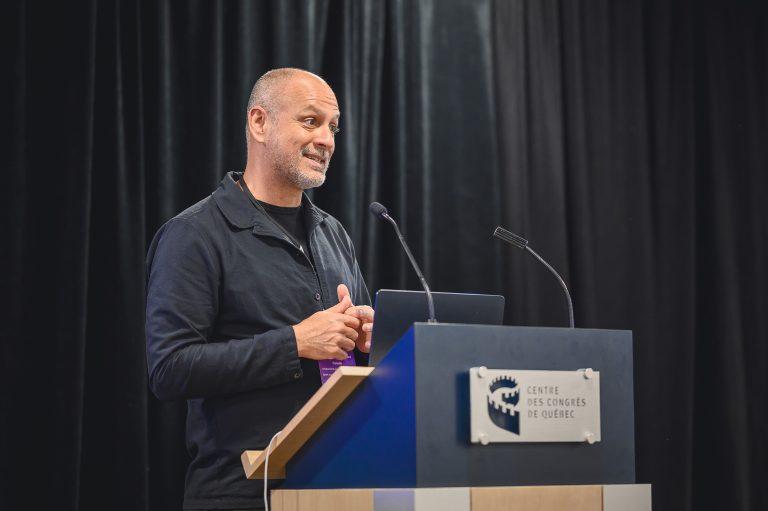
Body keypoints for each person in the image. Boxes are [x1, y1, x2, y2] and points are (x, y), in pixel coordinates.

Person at [145, 68, 374, 510]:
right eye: (311, 121)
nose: (327, 139)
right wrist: (295, 343)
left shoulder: (334, 234)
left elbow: (351, 354)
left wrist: (367, 342)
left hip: (339, 484)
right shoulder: (195, 234)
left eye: (333, 127)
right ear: (259, 123)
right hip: (243, 491)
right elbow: (169, 368)